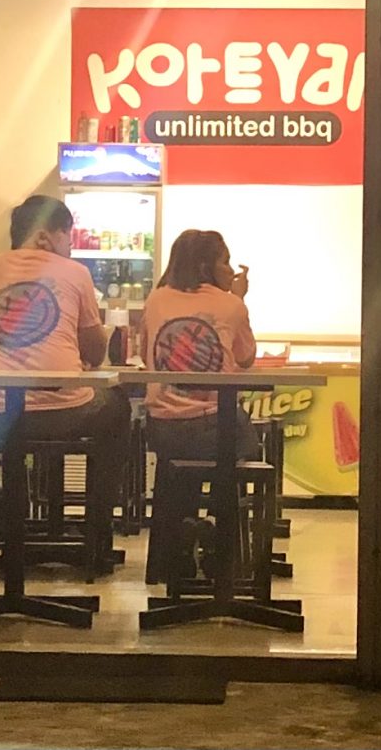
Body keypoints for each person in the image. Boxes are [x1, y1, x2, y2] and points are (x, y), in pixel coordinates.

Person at [0, 195, 131, 572]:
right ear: (44, 236)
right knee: (118, 408)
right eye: (67, 236)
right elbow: (95, 351)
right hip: (62, 414)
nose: (70, 246)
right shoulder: (76, 273)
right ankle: (97, 531)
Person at [135, 230, 260, 585]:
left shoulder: (156, 299)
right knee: (242, 446)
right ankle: (221, 549)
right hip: (214, 427)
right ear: (206, 266)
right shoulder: (230, 305)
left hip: (163, 428)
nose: (231, 269)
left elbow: (146, 353)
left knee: (180, 467)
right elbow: (245, 358)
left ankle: (175, 551)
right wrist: (237, 299)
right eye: (225, 261)